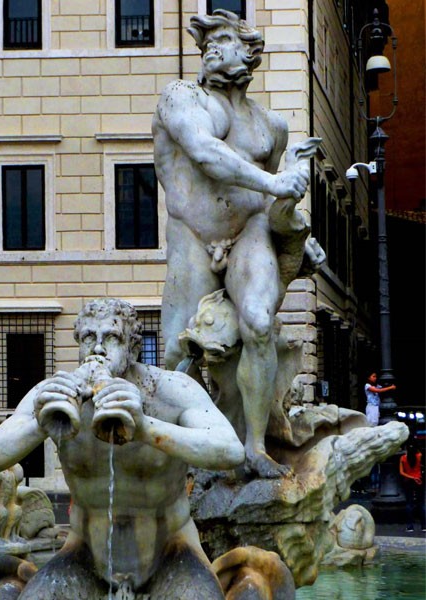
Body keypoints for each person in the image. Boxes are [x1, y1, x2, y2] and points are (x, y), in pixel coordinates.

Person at [0, 298, 244, 599]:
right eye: (88, 338)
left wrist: (144, 428)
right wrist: (40, 423)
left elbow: (230, 450)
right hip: (86, 553)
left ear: (133, 348)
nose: (97, 349)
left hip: (170, 551)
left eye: (111, 338)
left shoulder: (169, 390)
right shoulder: (55, 393)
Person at [153, 10, 324, 478]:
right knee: (174, 351)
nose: (210, 47)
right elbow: (209, 156)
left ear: (249, 53)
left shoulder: (272, 127)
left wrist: (294, 231)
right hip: (192, 231)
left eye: (223, 39)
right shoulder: (182, 97)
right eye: (206, 41)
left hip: (249, 231)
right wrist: (276, 184)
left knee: (258, 323)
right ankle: (164, 450)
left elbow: (274, 201)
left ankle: (253, 446)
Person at [399, 443, 425, 532]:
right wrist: (417, 477)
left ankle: (410, 526)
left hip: (408, 482)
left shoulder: (403, 458)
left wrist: (411, 477)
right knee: (421, 503)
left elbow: (401, 472)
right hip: (419, 480)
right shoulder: (419, 455)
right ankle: (424, 525)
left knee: (409, 504)